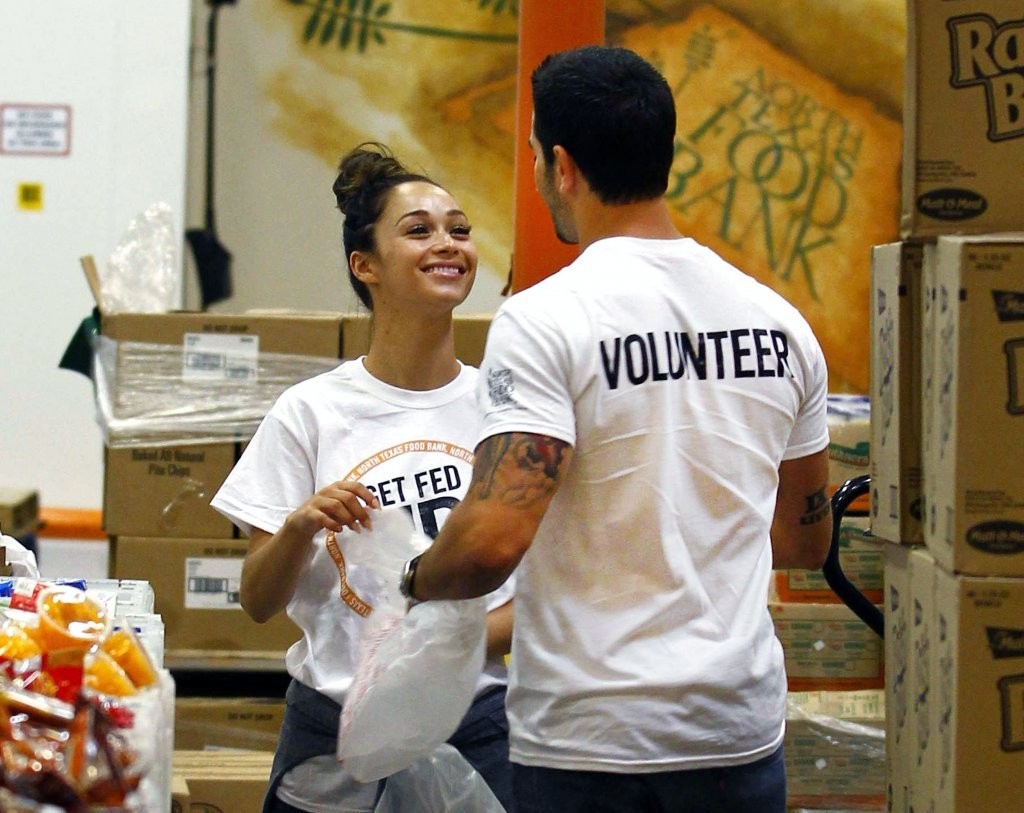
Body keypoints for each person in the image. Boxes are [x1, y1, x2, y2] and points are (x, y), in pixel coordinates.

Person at [403, 46, 833, 813]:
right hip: (735, 737)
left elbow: (491, 543)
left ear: (561, 166)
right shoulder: (781, 324)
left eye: (535, 158)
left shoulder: (546, 321)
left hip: (591, 744)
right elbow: (805, 541)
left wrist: (415, 579)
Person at [211, 142, 515, 813]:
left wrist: (432, 645)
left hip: (480, 725)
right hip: (333, 731)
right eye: (419, 230)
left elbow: (545, 594)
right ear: (364, 264)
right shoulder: (310, 411)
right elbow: (257, 600)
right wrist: (298, 527)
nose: (448, 243)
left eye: (459, 229)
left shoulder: (506, 408)